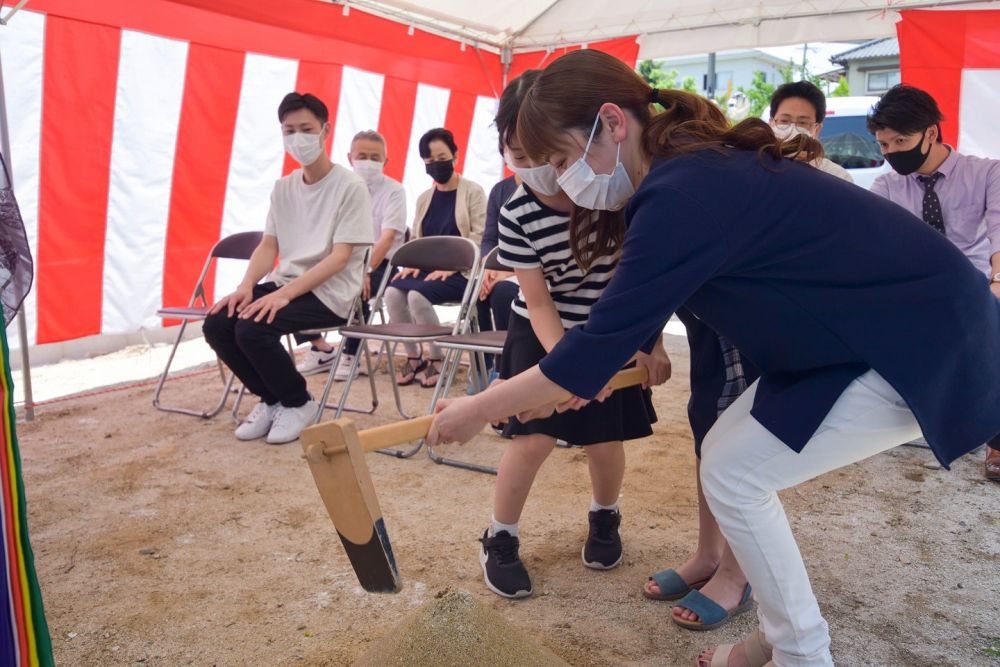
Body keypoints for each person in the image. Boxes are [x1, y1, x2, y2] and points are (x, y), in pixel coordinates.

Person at [426, 50, 1000, 667]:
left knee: (734, 473)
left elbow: (594, 347)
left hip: (912, 338)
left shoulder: (683, 189)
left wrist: (478, 407)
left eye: (565, 160)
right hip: (853, 336)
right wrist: (579, 373)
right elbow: (614, 332)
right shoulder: (685, 169)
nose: (565, 181)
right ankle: (784, 636)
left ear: (613, 123)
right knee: (728, 458)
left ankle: (800, 652)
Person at [644, 80, 859, 632]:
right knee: (707, 437)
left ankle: (736, 576)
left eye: (805, 120)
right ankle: (707, 554)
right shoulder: (701, 175)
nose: (793, 128)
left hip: (768, 336)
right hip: (712, 332)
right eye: (784, 116)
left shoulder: (820, 179)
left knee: (741, 460)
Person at [476, 70, 669, 599]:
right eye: (517, 153)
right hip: (541, 332)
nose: (535, 168)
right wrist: (570, 367)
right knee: (531, 438)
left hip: (608, 332)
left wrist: (649, 342)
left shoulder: (611, 188)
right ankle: (501, 536)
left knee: (605, 440)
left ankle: (605, 519)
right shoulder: (516, 210)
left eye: (546, 155)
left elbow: (642, 281)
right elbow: (537, 301)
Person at [203, 92, 373, 445]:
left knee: (252, 329)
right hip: (287, 283)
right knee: (218, 323)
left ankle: (299, 402)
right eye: (289, 130)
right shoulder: (283, 188)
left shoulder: (350, 187)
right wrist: (247, 285)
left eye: (306, 129)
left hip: (330, 291)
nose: (298, 138)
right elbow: (269, 245)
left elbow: (340, 257)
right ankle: (273, 399)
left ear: (325, 131)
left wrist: (283, 295)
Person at [868, 84, 1000, 482]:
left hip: (977, 282)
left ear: (930, 132)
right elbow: (878, 246)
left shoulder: (987, 173)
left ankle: (996, 442)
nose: (891, 153)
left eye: (900, 141)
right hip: (918, 287)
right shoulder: (886, 186)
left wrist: (998, 280)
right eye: (884, 144)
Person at [295, 130, 407, 381]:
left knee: (360, 290)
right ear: (350, 157)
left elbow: (388, 237)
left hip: (380, 265)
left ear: (385, 161)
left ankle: (351, 354)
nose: (368, 162)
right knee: (293, 279)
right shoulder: (337, 188)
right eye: (362, 156)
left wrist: (365, 269)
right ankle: (320, 348)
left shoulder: (394, 191)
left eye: (375, 157)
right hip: (339, 260)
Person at [384, 127, 486, 388]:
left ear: (455, 155)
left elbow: (480, 237)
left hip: (462, 272)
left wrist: (454, 267)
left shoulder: (472, 192)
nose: (436, 165)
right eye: (429, 162)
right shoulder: (424, 198)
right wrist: (412, 264)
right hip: (429, 271)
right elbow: (418, 240)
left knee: (418, 296)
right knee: (392, 293)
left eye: (441, 158)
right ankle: (413, 357)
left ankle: (437, 359)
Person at [768, 81, 853, 183]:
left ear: (817, 129)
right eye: (784, 121)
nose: (792, 129)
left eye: (803, 122)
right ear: (771, 123)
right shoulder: (757, 166)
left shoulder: (837, 177)